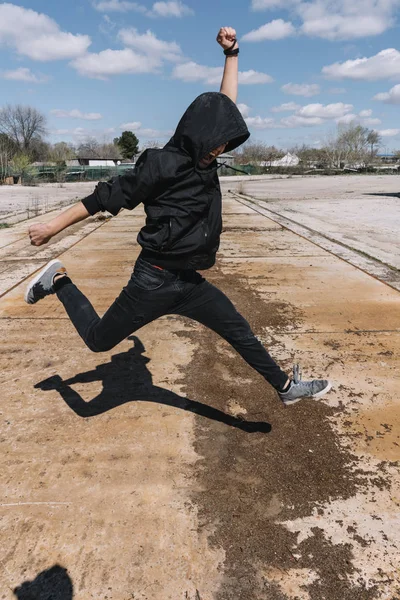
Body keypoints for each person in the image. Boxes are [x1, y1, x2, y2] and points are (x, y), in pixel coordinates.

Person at [25, 27, 332, 407]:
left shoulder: (208, 161)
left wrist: (232, 55)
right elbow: (102, 199)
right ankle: (57, 281)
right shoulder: (160, 165)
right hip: (152, 281)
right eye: (217, 139)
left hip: (188, 281)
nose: (222, 146)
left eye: (226, 140)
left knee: (239, 331)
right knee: (98, 341)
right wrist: (51, 227)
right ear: (200, 134)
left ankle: (286, 389)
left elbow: (224, 105)